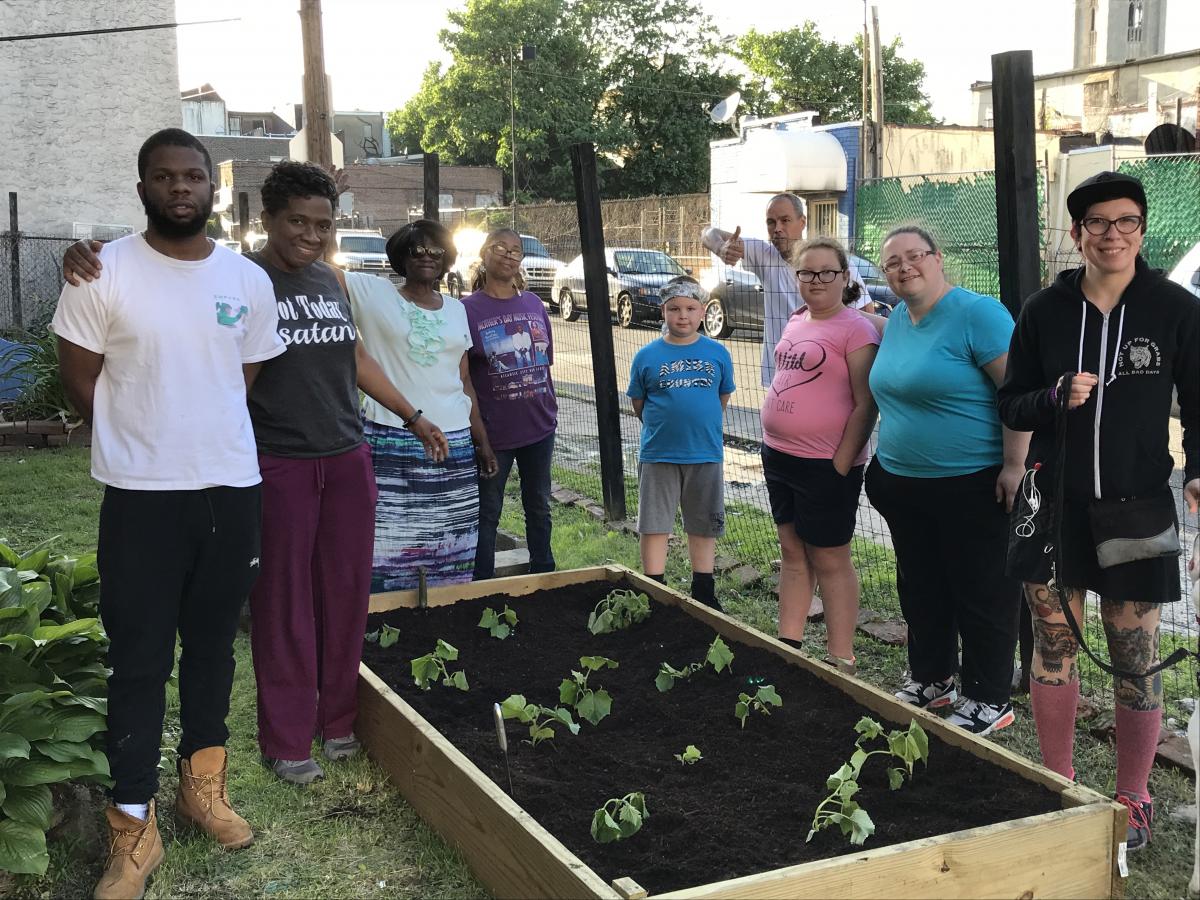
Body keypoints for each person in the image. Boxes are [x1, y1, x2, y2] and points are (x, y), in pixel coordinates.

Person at [64, 161, 449, 789]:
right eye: (296, 221)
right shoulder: (245, 277)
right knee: (285, 603)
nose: (310, 234)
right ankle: (288, 736)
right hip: (278, 461)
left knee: (347, 595)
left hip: (347, 455)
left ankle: (340, 720)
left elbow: (352, 355)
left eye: (322, 223)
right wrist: (92, 255)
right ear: (266, 220)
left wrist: (413, 415)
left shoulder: (331, 278)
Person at [54, 128, 283, 899]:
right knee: (140, 659)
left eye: (192, 176)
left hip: (230, 488)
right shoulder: (101, 272)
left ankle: (201, 788)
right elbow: (80, 380)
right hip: (141, 498)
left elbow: (239, 378)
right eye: (164, 176)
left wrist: (196, 434)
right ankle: (132, 826)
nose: (180, 187)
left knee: (215, 646)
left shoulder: (247, 280)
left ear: (211, 188)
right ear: (142, 186)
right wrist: (142, 436)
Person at [997, 171, 1200, 851]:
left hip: (1139, 511)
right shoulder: (1043, 312)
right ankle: (1058, 785)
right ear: (1078, 232)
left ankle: (1133, 796)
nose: (1113, 234)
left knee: (1134, 656)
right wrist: (1053, 396)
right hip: (1053, 507)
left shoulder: (1175, 308)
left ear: (1142, 230)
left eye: (1127, 222)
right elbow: (1011, 403)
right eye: (1098, 223)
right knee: (1053, 648)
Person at [863, 224, 1029, 736]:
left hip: (972, 483)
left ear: (938, 259)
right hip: (904, 483)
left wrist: (1014, 465)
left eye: (915, 256)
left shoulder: (977, 314)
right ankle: (933, 678)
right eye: (893, 262)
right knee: (921, 587)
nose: (904, 267)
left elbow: (1017, 393)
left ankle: (988, 696)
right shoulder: (897, 322)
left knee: (981, 590)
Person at [347, 220, 497, 592]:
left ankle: (445, 617)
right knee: (388, 540)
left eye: (436, 251)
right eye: (418, 249)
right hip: (391, 438)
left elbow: (462, 380)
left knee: (450, 541)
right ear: (402, 255)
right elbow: (317, 265)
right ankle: (387, 621)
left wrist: (482, 441)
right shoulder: (372, 293)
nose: (427, 257)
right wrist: (330, 198)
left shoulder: (457, 310)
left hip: (455, 445)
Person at [761, 238, 879, 671]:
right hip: (779, 456)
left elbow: (867, 403)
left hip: (825, 463)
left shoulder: (856, 329)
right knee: (792, 552)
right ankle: (788, 644)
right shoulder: (796, 320)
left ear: (845, 278)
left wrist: (842, 463)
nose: (816, 280)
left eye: (827, 272)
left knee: (830, 558)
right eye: (806, 272)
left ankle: (840, 658)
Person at [627, 277, 735, 609]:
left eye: (690, 309)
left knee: (703, 522)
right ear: (663, 311)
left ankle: (703, 589)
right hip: (660, 453)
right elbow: (639, 403)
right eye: (674, 309)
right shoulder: (647, 356)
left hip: (704, 452)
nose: (682, 316)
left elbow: (722, 397)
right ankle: (654, 588)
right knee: (655, 521)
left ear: (703, 311)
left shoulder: (717, 353)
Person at [463, 227, 559, 579]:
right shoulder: (466, 310)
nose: (508, 254)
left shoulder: (534, 303)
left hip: (539, 428)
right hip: (494, 436)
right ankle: (481, 584)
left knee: (539, 505)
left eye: (516, 250)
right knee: (488, 511)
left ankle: (545, 573)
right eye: (499, 247)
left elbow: (545, 362)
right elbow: (464, 379)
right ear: (484, 254)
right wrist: (480, 438)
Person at [701, 194, 873, 386]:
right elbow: (708, 233)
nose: (778, 229)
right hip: (781, 373)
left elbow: (866, 311)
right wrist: (721, 247)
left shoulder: (837, 263)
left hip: (827, 373)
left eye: (785, 220)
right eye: (771, 222)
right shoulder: (766, 256)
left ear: (802, 222)